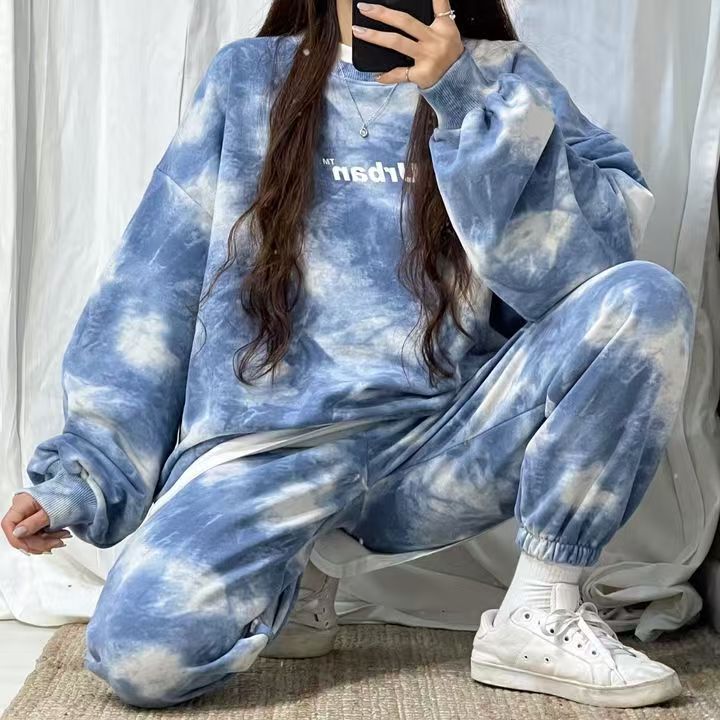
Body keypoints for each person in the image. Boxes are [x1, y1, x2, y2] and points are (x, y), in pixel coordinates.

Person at [1, 0, 694, 710]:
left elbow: (597, 259)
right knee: (139, 657)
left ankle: (540, 611)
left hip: (443, 445)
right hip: (270, 455)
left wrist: (461, 97)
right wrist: (84, 474)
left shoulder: (502, 76)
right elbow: (151, 290)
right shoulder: (248, 79)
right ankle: (296, 569)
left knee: (646, 298)